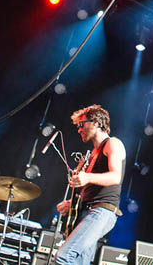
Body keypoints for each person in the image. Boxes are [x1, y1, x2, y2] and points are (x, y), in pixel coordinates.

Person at [55, 104, 126, 265]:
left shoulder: (113, 143)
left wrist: (87, 177)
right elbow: (91, 188)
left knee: (64, 256)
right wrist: (71, 204)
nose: (79, 129)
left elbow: (115, 177)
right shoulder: (91, 155)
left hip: (102, 211)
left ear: (95, 122)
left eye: (81, 124)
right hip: (88, 211)